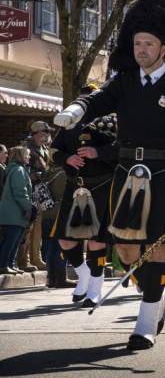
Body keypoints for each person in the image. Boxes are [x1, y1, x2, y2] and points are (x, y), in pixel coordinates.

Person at [54, 0, 165, 350]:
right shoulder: (125, 82)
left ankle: (146, 320)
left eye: (148, 44)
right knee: (129, 251)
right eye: (137, 45)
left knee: (158, 248)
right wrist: (76, 110)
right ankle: (156, 293)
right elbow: (97, 99)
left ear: (164, 46)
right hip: (128, 175)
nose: (142, 51)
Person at [50, 84, 119, 306]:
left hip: (101, 186)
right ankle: (84, 275)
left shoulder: (111, 121)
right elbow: (54, 151)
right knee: (64, 239)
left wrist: (97, 152)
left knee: (96, 241)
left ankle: (95, 290)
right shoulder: (69, 122)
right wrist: (67, 159)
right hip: (74, 186)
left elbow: (123, 149)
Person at [16, 121, 54, 272]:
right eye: (44, 133)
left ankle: (36, 258)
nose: (47, 136)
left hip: (41, 193)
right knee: (28, 229)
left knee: (37, 229)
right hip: (30, 192)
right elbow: (23, 173)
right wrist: (40, 175)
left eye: (48, 133)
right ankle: (23, 261)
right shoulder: (26, 149)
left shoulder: (44, 148)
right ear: (36, 133)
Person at [0, 146, 33, 274]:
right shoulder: (18, 170)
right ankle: (3, 265)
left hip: (14, 213)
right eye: (27, 154)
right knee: (11, 240)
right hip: (14, 213)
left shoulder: (16, 169)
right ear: (20, 155)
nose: (29, 157)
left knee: (15, 240)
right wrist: (29, 207)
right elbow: (20, 192)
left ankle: (10, 264)